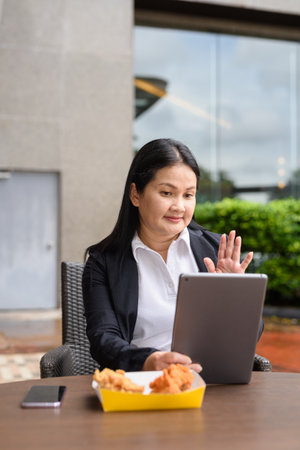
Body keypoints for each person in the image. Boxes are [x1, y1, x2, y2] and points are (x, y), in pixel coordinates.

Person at [82, 138, 260, 373]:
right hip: (144, 383)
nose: (179, 206)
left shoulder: (216, 251)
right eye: (167, 193)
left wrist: (235, 295)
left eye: (188, 195)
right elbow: (103, 340)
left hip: (211, 382)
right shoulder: (103, 262)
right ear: (136, 194)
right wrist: (147, 361)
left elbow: (252, 333)